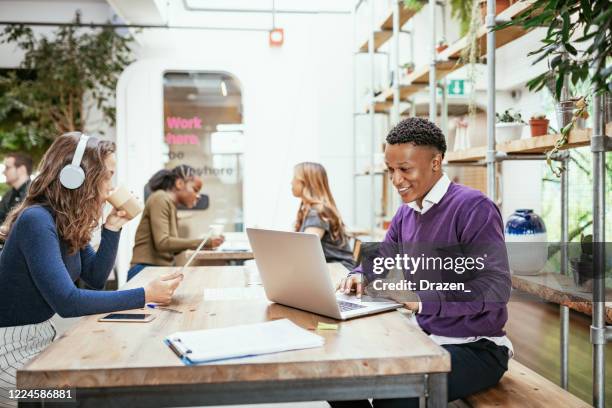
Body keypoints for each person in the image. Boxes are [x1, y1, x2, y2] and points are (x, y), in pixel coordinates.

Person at [333, 118, 512, 408]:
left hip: (476, 346)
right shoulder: (406, 213)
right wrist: (358, 274)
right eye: (391, 170)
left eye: (405, 169)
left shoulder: (473, 208)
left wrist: (421, 298)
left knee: (395, 394)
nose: (396, 180)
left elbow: (495, 288)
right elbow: (380, 258)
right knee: (338, 373)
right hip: (421, 334)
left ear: (436, 162)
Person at [0, 133, 183, 407]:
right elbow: (68, 301)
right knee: (78, 398)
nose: (111, 187)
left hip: (42, 344)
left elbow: (96, 279)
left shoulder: (65, 221)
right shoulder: (36, 220)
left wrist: (112, 227)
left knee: (103, 394)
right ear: (77, 176)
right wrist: (146, 294)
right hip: (10, 358)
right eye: (108, 176)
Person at [128, 166, 223, 280]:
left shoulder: (170, 204)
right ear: (179, 184)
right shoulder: (160, 198)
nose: (198, 196)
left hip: (155, 270)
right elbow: (163, 243)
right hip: (145, 271)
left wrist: (204, 244)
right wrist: (204, 242)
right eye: (195, 189)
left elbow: (170, 247)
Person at [292, 162, 355, 270]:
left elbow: (303, 250)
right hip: (331, 268)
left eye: (294, 178)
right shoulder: (311, 210)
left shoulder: (318, 212)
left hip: (341, 271)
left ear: (306, 183)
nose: (291, 182)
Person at [0, 153, 33, 224]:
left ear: (22, 169)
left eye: (7, 168)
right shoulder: (8, 195)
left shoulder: (34, 194)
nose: (3, 172)